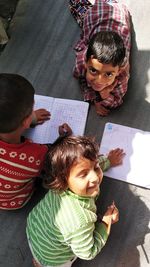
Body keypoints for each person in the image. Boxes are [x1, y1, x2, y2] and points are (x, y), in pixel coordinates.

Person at [26, 135, 125, 267]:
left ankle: (39, 261)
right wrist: (106, 222)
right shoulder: (80, 220)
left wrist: (108, 160)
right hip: (54, 258)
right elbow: (88, 252)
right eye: (83, 174)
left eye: (95, 168)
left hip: (34, 230)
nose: (95, 177)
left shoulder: (59, 184)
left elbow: (86, 163)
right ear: (63, 180)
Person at [0, 73, 71, 210]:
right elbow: (53, 157)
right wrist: (63, 138)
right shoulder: (35, 157)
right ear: (26, 122)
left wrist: (30, 119)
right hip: (13, 201)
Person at [69, 0, 131, 116]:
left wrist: (105, 94)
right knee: (75, 4)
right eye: (93, 70)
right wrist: (95, 99)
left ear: (119, 71)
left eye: (108, 74)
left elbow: (117, 101)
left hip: (118, 12)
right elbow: (81, 79)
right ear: (86, 62)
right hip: (94, 16)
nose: (99, 81)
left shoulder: (123, 74)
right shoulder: (81, 62)